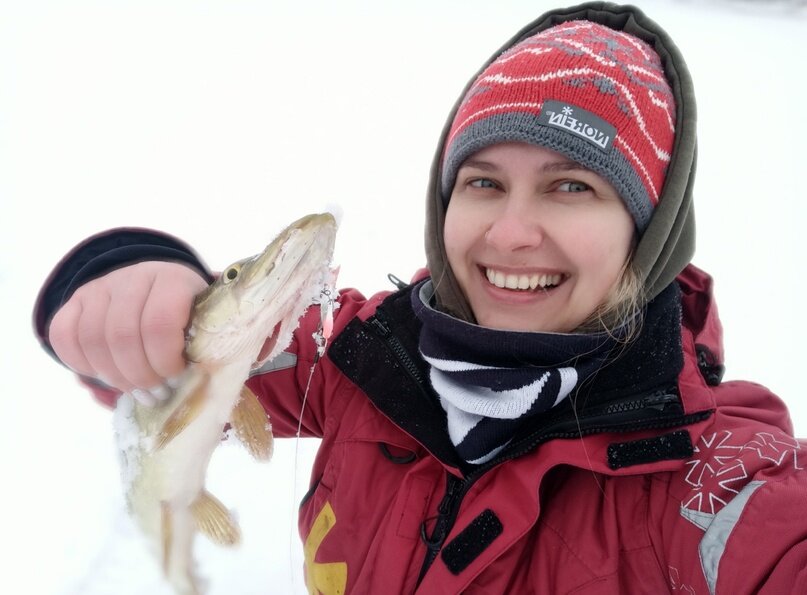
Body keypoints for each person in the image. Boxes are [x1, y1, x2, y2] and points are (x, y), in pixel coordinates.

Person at [33, 2, 807, 593]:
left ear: (649, 233)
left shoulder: (711, 485)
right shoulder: (363, 353)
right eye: (483, 182)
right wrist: (128, 283)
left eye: (571, 186)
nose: (509, 233)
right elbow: (167, 370)